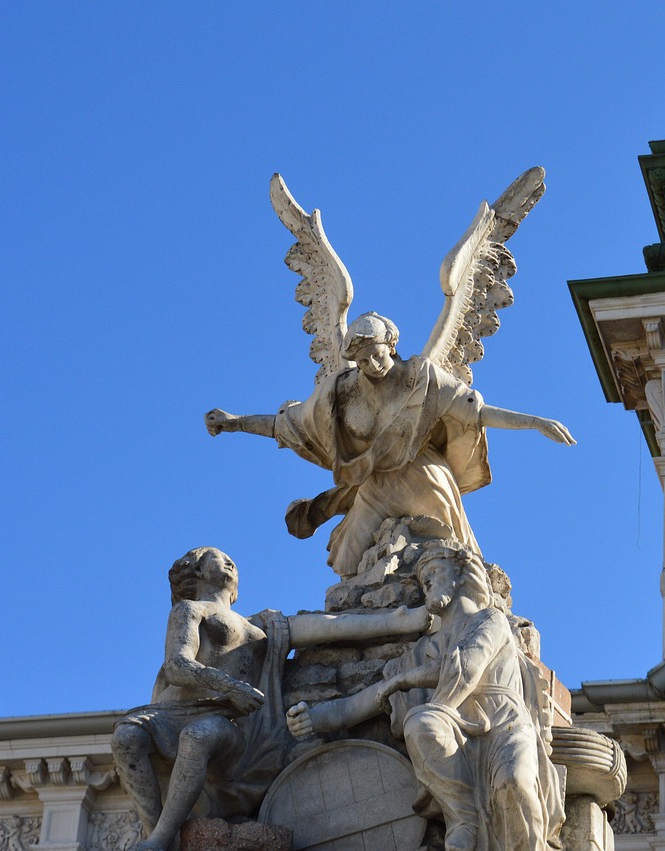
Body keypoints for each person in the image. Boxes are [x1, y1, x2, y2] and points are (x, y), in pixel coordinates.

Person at [205, 313, 574, 577]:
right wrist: (235, 423)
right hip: (376, 485)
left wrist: (537, 423)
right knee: (349, 563)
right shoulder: (341, 392)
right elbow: (287, 425)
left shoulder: (422, 377)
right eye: (362, 360)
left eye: (377, 355)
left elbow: (475, 412)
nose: (371, 365)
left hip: (424, 478)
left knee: (455, 560)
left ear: (391, 345)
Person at [111, 547, 430, 851]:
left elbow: (326, 627)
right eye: (218, 557)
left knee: (199, 737)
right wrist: (231, 687)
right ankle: (158, 836)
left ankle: (160, 839)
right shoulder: (190, 610)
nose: (230, 563)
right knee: (126, 735)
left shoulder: (263, 626)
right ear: (197, 569)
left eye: (231, 560)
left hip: (229, 726)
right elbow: (177, 666)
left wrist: (396, 620)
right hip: (180, 712)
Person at [287, 540, 564, 851]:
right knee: (421, 721)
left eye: (434, 571)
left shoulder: (489, 620)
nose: (427, 582)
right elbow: (362, 703)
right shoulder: (421, 652)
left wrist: (403, 680)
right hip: (452, 726)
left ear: (461, 575)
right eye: (422, 579)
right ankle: (463, 819)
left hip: (503, 724)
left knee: (513, 782)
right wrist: (313, 718)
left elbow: (465, 667)